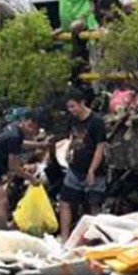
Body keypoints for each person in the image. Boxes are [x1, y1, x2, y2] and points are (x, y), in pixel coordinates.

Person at [0, 111, 47, 229]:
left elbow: (21, 144)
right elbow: (14, 166)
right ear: (23, 121)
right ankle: (4, 231)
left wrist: (40, 145)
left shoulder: (15, 130)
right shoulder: (14, 136)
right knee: (3, 201)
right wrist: (31, 178)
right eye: (29, 126)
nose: (31, 130)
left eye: (34, 128)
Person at [59, 88, 108, 240]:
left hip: (94, 170)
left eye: (73, 106)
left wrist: (92, 170)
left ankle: (97, 238)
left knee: (94, 205)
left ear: (82, 103)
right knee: (65, 201)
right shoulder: (73, 119)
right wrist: (68, 150)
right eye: (69, 107)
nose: (71, 110)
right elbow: (73, 136)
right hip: (75, 169)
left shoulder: (96, 121)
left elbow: (100, 148)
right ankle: (65, 238)